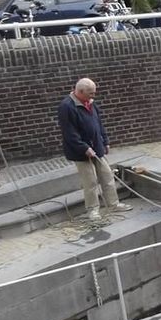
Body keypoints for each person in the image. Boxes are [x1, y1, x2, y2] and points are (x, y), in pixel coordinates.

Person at [57, 78, 133, 222]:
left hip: (97, 147)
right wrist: (84, 148)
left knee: (107, 176)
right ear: (79, 92)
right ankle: (92, 210)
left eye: (94, 93)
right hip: (81, 153)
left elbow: (98, 123)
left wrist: (105, 141)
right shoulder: (66, 107)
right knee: (90, 182)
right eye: (90, 93)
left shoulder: (90, 103)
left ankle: (113, 204)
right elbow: (69, 132)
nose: (93, 96)